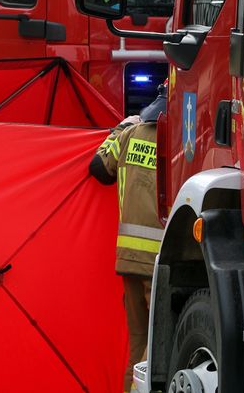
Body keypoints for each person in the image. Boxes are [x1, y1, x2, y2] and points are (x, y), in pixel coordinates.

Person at [88, 82, 167, 393]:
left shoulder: (129, 134)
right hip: (160, 262)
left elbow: (98, 169)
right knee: (157, 339)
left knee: (138, 344)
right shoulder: (178, 142)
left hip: (127, 259)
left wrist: (119, 128)